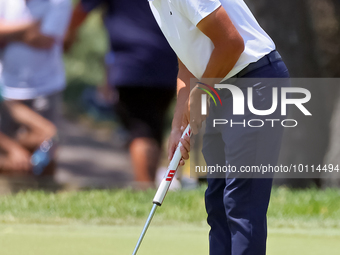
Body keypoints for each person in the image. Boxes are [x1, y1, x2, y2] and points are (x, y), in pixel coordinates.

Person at [149, 1, 290, 255]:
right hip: (221, 84)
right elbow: (187, 62)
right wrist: (176, 125)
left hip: (255, 81)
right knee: (218, 201)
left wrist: (203, 90)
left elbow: (232, 43)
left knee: (241, 202)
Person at [66, 0, 178, 188]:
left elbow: (82, 10)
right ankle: (150, 185)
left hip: (131, 62)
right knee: (153, 126)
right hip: (168, 60)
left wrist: (67, 37)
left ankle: (144, 189)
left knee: (140, 128)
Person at [0, 0, 72, 175]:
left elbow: (43, 39)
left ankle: (44, 187)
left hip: (44, 88)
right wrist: (30, 27)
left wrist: (7, 32)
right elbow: (33, 34)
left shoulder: (58, 2)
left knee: (49, 143)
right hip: (7, 88)